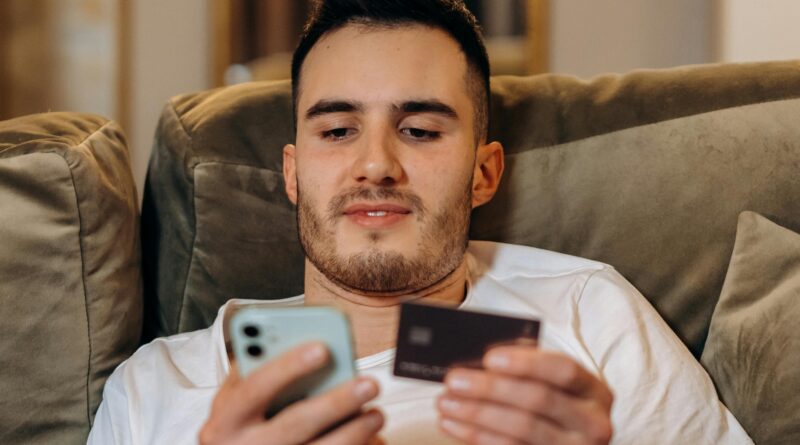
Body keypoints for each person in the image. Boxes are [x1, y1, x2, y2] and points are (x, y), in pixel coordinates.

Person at [88, 1, 753, 444]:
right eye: (339, 129)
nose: (376, 164)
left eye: (420, 129)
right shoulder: (156, 387)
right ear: (292, 173)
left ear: (484, 173)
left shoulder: (590, 313)